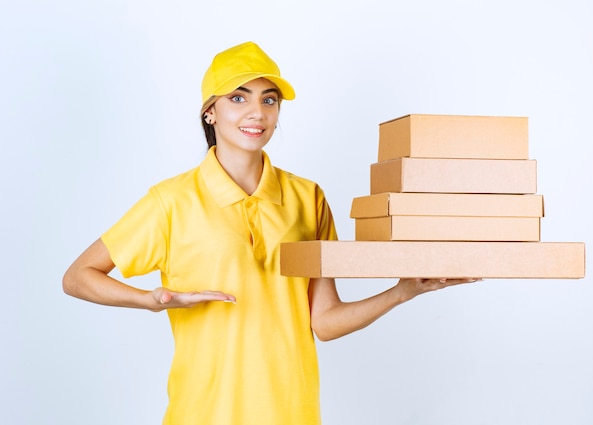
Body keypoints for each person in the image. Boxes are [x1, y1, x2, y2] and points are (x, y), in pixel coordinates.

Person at [63, 41, 478, 425]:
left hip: (291, 411)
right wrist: (151, 301)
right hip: (203, 413)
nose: (257, 113)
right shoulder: (171, 201)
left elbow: (326, 322)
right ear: (210, 111)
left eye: (269, 100)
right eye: (238, 98)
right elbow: (78, 276)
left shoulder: (306, 197)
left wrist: (403, 290)